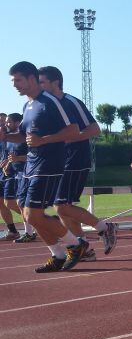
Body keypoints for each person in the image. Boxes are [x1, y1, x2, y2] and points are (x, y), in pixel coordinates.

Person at [38, 66, 118, 269]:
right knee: (63, 210)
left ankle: (105, 227)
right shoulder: (47, 106)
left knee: (61, 206)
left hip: (75, 159)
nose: (39, 86)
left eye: (42, 82)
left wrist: (69, 138)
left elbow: (95, 129)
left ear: (55, 82)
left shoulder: (71, 102)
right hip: (58, 162)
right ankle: (84, 249)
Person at [4, 61, 80, 273]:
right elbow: (25, 137)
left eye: (18, 80)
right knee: (28, 214)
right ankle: (58, 255)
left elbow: (73, 131)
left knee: (34, 215)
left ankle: (76, 244)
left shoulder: (51, 101)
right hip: (31, 165)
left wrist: (43, 141)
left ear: (31, 78)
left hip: (49, 164)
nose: (14, 85)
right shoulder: (27, 105)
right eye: (13, 81)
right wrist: (5, 136)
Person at [0, 113, 25, 240]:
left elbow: (13, 155)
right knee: (2, 203)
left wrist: (9, 162)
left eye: (5, 121)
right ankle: (13, 231)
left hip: (16, 172)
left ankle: (38, 220)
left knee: (11, 202)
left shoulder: (17, 137)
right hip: (4, 171)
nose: (3, 124)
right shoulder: (5, 137)